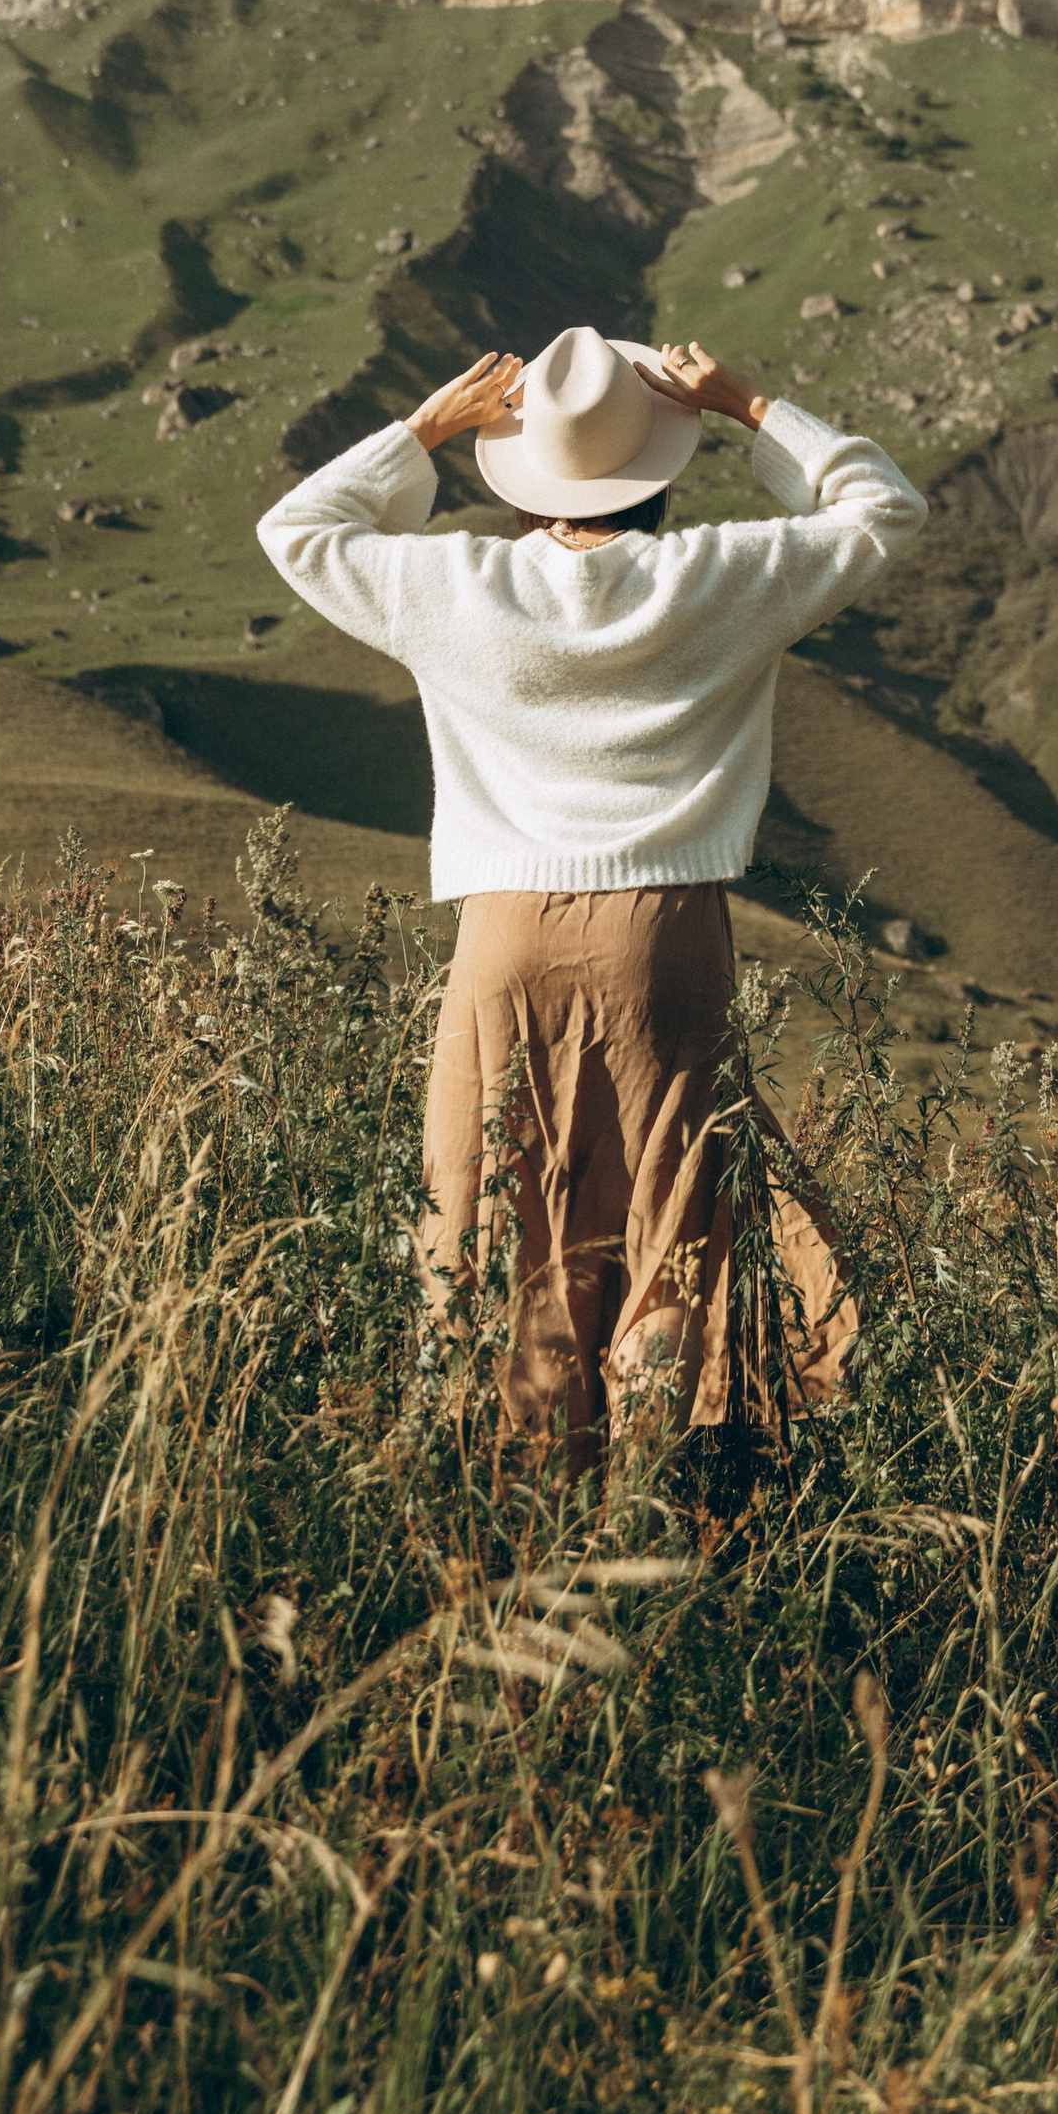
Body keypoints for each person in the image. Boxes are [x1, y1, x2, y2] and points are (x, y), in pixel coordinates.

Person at [256, 326, 927, 1459]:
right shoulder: (715, 576)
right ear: (661, 474)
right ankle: (657, 1477)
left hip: (504, 933)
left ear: (524, 487)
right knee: (669, 1206)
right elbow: (884, 509)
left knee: (497, 1205)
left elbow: (298, 529)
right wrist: (750, 404)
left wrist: (427, 428)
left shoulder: (455, 584)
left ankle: (518, 1479)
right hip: (666, 934)